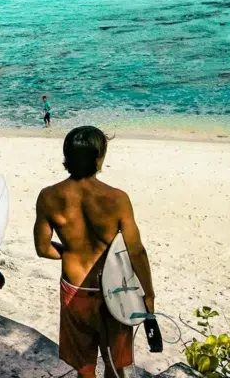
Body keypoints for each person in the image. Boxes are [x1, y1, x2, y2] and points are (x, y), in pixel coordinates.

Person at [34, 126, 155, 378]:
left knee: (85, 365)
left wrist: (68, 253)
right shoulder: (117, 198)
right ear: (99, 158)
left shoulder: (48, 196)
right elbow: (136, 251)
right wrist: (149, 295)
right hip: (115, 290)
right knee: (114, 361)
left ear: (67, 155)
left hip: (75, 288)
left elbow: (42, 249)